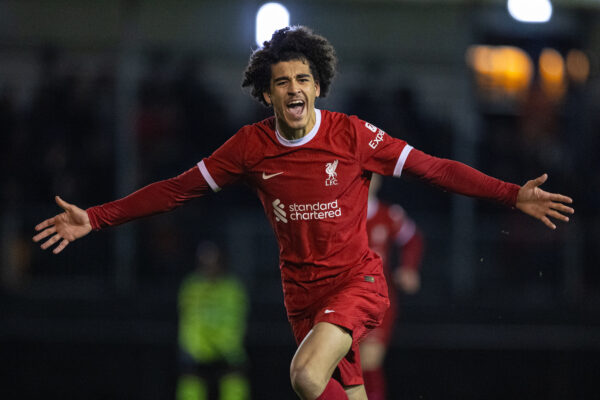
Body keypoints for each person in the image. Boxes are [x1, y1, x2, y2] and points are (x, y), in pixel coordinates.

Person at [33, 26, 574, 400]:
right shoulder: (249, 147)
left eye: (301, 79)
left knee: (305, 377)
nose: (293, 89)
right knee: (350, 390)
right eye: (281, 82)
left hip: (357, 282)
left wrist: (510, 194)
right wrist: (96, 217)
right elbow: (176, 190)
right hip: (302, 296)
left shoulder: (353, 135)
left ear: (317, 85)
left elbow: (433, 168)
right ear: (267, 95)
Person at [361, 174, 424, 400]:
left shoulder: (388, 214)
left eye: (372, 175)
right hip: (342, 297)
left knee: (369, 360)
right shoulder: (338, 214)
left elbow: (412, 238)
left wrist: (409, 268)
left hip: (378, 299)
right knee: (340, 364)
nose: (367, 181)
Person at [177, 241, 249, 400]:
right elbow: (189, 320)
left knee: (235, 385)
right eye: (205, 262)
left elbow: (235, 321)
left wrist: (225, 348)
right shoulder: (191, 287)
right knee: (190, 386)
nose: (209, 267)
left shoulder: (232, 288)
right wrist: (194, 349)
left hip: (227, 353)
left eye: (213, 262)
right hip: (197, 353)